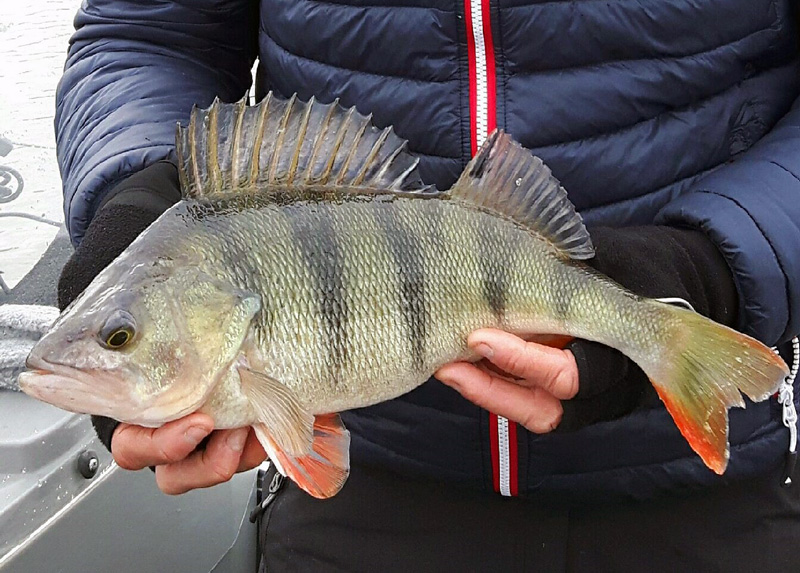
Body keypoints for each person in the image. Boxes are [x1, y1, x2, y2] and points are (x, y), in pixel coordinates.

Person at [55, 1, 800, 570]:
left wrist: (713, 270)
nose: (114, 345)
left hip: (697, 497)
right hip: (372, 492)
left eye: (120, 337)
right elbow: (146, 35)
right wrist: (129, 211)